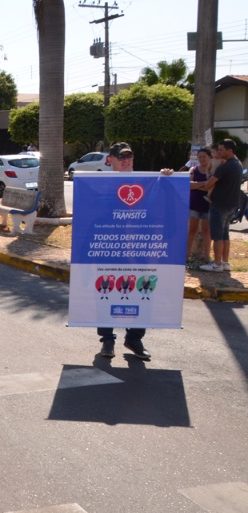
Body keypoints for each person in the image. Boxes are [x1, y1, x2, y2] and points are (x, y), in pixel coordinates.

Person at [97, 142, 172, 360]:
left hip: (140, 248)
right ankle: (107, 341)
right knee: (105, 293)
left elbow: (162, 203)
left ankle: (134, 338)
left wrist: (167, 178)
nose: (127, 161)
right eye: (121, 157)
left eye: (129, 157)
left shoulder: (147, 181)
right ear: (110, 160)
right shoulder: (100, 183)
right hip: (109, 248)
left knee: (143, 292)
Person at [200, 139, 245, 273]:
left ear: (230, 151)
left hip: (219, 205)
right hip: (231, 205)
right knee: (225, 235)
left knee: (217, 236)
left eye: (221, 150)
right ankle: (225, 262)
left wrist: (198, 183)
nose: (218, 152)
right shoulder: (238, 165)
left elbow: (209, 184)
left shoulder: (224, 167)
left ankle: (217, 263)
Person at [186, 147, 213, 266]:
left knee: (207, 231)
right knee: (192, 230)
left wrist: (198, 185)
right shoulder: (194, 169)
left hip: (207, 205)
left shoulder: (212, 171)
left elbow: (210, 187)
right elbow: (189, 185)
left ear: (209, 157)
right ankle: (186, 255)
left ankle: (207, 256)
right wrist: (203, 184)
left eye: (204, 156)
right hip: (194, 204)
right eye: (200, 157)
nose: (202, 159)